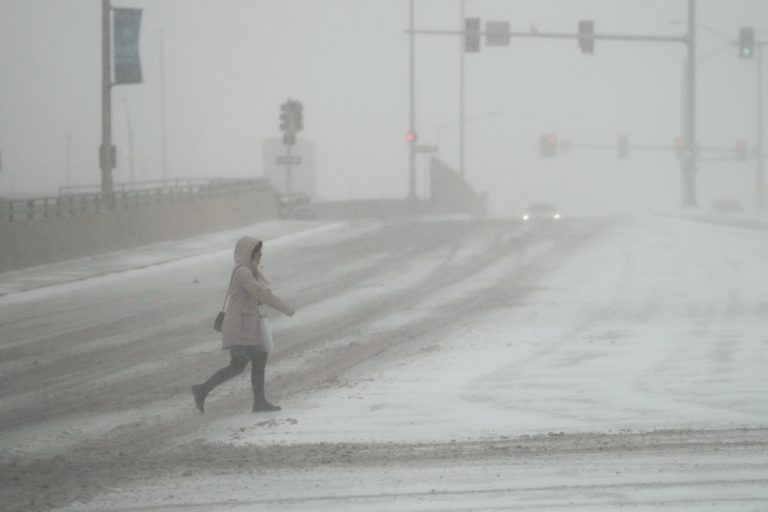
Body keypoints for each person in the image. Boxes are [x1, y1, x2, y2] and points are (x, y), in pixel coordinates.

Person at [192, 236, 295, 413]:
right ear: (249, 254)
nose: (260, 256)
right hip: (238, 327)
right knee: (238, 364)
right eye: (257, 253)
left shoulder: (249, 272)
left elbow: (256, 296)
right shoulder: (243, 273)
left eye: (261, 253)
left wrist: (262, 297)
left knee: (259, 358)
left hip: (247, 326)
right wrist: (284, 307)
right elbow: (259, 293)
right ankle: (202, 390)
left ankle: (259, 402)